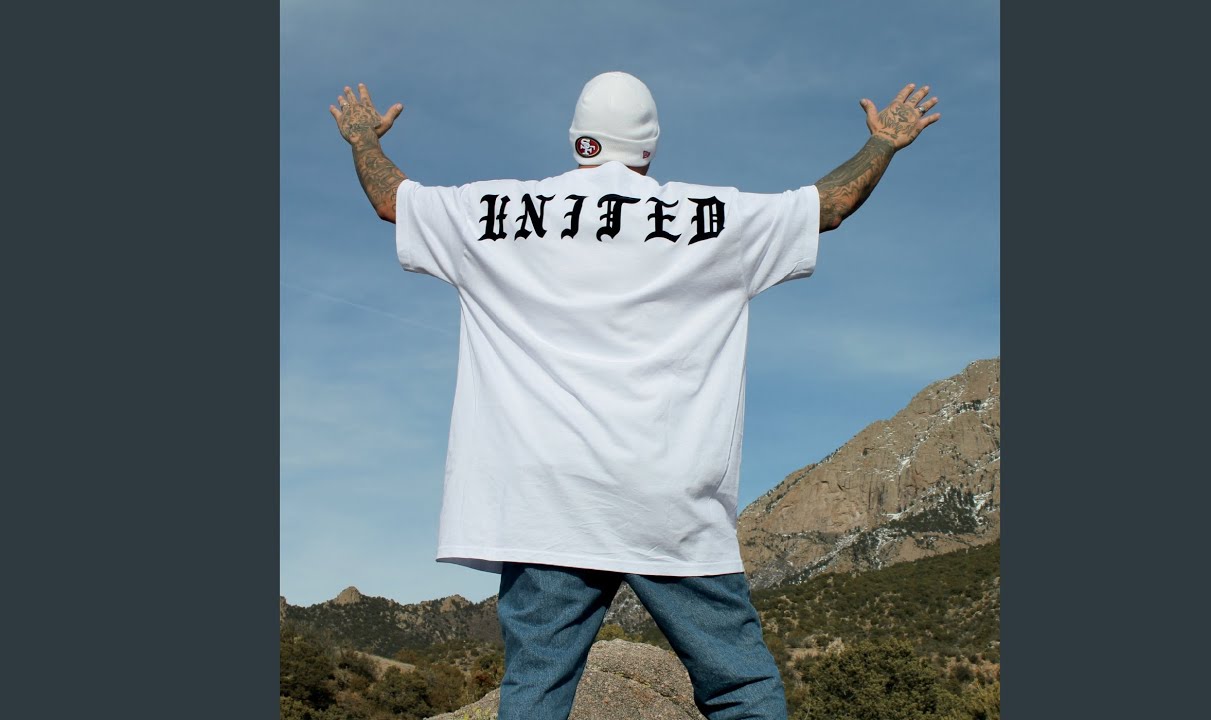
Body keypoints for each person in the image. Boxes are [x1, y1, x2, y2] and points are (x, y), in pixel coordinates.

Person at [329, 71, 940, 720]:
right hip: (668, 499)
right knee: (740, 689)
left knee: (534, 691)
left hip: (545, 503)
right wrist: (882, 143)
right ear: (648, 148)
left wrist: (363, 139)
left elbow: (393, 200)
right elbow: (827, 207)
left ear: (578, 140)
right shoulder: (714, 218)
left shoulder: (491, 212)